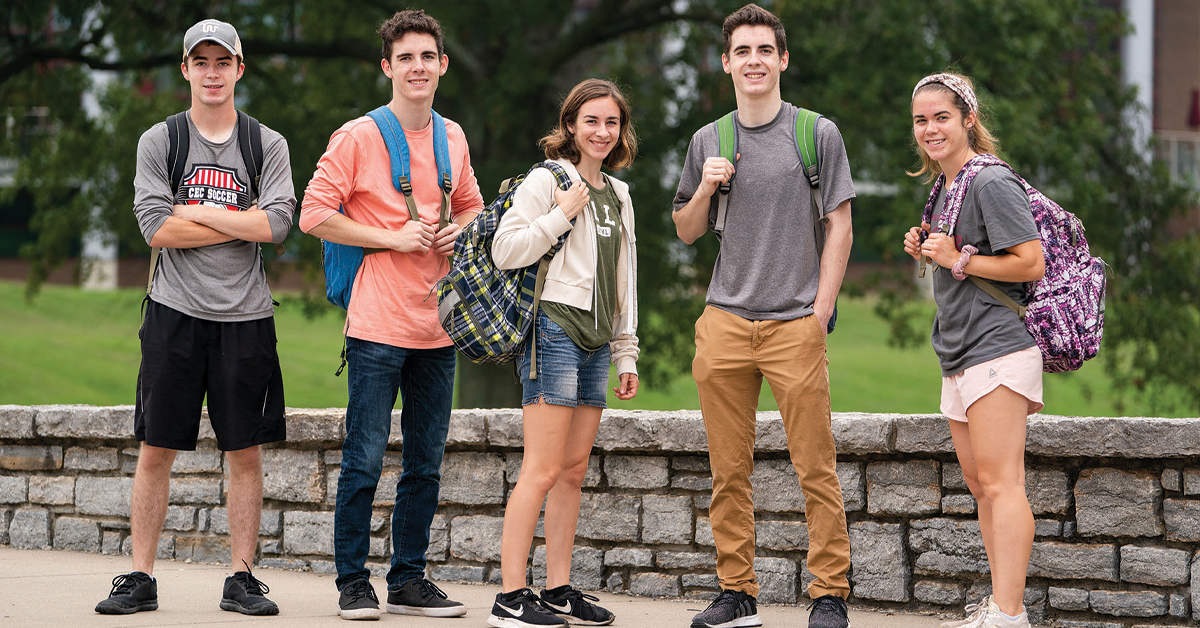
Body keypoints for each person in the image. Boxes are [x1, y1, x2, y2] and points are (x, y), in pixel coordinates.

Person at [95, 19, 295, 617]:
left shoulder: (268, 144)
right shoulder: (160, 140)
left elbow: (278, 225)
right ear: (185, 69)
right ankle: (139, 575)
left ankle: (241, 577)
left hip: (247, 317)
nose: (212, 73)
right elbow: (156, 228)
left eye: (222, 61)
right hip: (173, 315)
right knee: (157, 447)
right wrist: (239, 216)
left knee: (246, 452)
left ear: (240, 67)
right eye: (200, 62)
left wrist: (198, 212)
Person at [671, 4, 855, 628]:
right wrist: (705, 187)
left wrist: (820, 309)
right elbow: (686, 231)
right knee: (729, 472)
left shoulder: (816, 134)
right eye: (741, 51)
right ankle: (737, 593)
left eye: (763, 50)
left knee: (815, 466)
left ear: (782, 59)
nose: (753, 60)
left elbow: (840, 225)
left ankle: (829, 594)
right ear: (726, 63)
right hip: (723, 321)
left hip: (793, 324)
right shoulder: (708, 141)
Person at [298, 9, 484, 622]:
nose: (417, 67)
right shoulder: (356, 136)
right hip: (377, 326)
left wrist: (457, 231)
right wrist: (390, 237)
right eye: (405, 58)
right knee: (364, 459)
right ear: (388, 67)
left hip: (438, 327)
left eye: (427, 57)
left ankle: (409, 578)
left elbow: (474, 208)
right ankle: (354, 582)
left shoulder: (452, 136)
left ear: (443, 65)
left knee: (426, 463)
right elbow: (313, 214)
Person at [486, 78, 641, 628]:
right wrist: (561, 214)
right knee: (543, 469)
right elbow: (505, 249)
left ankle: (556, 589)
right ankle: (510, 598)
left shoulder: (619, 194)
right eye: (591, 121)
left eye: (612, 122)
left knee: (573, 471)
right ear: (570, 125)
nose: (603, 132)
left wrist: (627, 352)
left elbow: (624, 279)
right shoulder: (548, 179)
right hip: (553, 333)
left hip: (598, 342)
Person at [903, 72, 1044, 628]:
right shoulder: (947, 185)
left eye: (941, 116)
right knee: (983, 484)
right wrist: (933, 247)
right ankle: (1000, 604)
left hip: (998, 346)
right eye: (920, 119)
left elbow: (1029, 262)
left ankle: (1010, 614)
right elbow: (958, 256)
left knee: (1003, 482)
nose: (930, 128)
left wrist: (956, 257)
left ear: (968, 119)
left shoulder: (988, 181)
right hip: (959, 351)